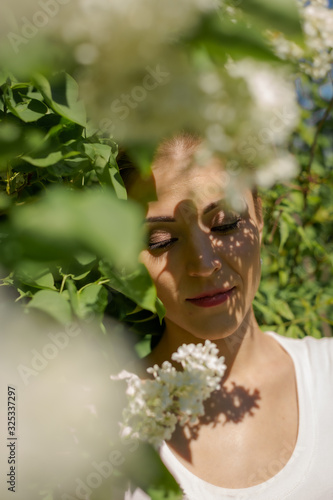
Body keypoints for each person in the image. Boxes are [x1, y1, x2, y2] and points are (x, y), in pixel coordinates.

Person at [121, 133, 333, 500]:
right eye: (161, 241)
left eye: (225, 224)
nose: (204, 264)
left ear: (260, 216)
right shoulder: (99, 419)